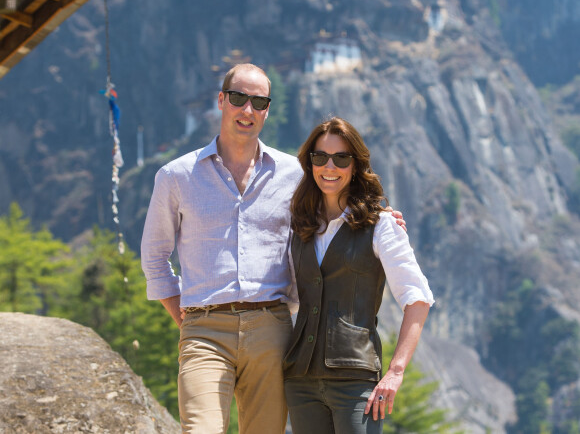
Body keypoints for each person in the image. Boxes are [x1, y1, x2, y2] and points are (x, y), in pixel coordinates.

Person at [141, 63, 406, 434]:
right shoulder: (176, 176)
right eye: (238, 98)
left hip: (273, 328)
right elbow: (154, 256)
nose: (247, 110)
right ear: (221, 100)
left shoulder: (293, 175)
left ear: (267, 109)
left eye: (259, 102)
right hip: (204, 329)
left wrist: (380, 216)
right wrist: (183, 317)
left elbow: (334, 210)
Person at [283, 117, 434, 434]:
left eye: (341, 158)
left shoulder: (381, 225)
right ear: (310, 163)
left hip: (355, 380)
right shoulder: (299, 226)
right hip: (300, 380)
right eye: (320, 157)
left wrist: (395, 371)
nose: (330, 166)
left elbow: (418, 298)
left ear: (355, 165)